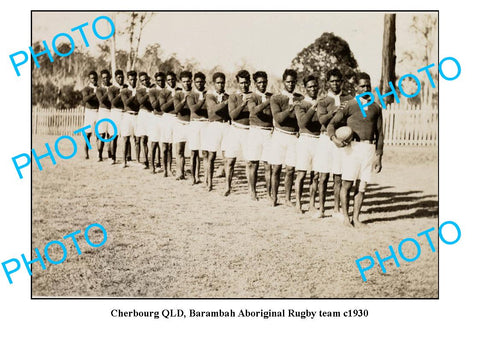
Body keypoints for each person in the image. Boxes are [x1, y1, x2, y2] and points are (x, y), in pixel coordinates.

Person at [327, 72, 384, 228]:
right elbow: (331, 124)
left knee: (362, 185)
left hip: (369, 148)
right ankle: (346, 218)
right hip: (353, 148)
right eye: (362, 85)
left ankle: (356, 219)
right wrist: (335, 139)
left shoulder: (376, 107)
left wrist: (379, 156)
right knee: (347, 183)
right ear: (356, 87)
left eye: (368, 85)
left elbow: (380, 134)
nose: (366, 88)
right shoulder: (350, 105)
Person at [317, 68, 353, 218]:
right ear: (327, 83)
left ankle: (337, 210)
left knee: (338, 175)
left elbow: (352, 118)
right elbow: (322, 120)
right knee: (323, 175)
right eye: (332, 81)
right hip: (326, 139)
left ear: (342, 82)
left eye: (338, 81)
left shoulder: (349, 99)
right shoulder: (323, 101)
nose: (335, 84)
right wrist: (335, 111)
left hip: (342, 139)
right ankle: (321, 209)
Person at [270, 69, 304, 207]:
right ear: (283, 82)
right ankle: (274, 197)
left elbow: (301, 120)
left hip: (293, 136)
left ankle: (288, 198)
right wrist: (291, 109)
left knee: (290, 169)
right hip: (279, 135)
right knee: (276, 168)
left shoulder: (300, 99)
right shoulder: (276, 98)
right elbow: (278, 118)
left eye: (293, 82)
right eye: (288, 81)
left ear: (296, 82)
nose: (290, 84)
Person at [294, 75, 320, 213]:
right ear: (305, 89)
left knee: (315, 175)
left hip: (318, 140)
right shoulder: (300, 104)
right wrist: (313, 107)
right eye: (310, 87)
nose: (313, 89)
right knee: (301, 174)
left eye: (315, 86)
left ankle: (311, 203)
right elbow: (302, 123)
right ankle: (298, 204)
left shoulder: (323, 103)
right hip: (305, 140)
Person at [245, 71, 273, 201]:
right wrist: (268, 102)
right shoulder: (252, 97)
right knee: (253, 163)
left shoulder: (271, 96)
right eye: (259, 82)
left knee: (268, 164)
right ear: (255, 84)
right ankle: (253, 191)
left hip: (268, 132)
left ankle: (269, 193)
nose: (262, 84)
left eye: (264, 82)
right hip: (255, 132)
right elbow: (253, 111)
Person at [225, 70, 252, 196]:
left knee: (250, 162)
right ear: (238, 83)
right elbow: (233, 115)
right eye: (241, 83)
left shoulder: (254, 96)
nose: (244, 85)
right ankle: (227, 187)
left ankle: (252, 190)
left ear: (250, 83)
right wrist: (243, 104)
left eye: (246, 83)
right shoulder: (233, 97)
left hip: (249, 131)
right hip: (235, 130)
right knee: (230, 160)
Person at [205, 72, 229, 192]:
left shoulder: (228, 96)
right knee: (211, 155)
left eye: (222, 82)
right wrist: (226, 102)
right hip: (214, 126)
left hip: (226, 125)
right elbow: (214, 109)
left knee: (227, 156)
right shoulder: (210, 96)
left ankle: (227, 186)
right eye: (218, 83)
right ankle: (209, 182)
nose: (220, 85)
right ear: (214, 84)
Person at [187, 72, 209, 185]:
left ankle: (205, 178)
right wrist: (202, 101)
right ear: (194, 82)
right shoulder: (191, 95)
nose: (199, 84)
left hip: (206, 124)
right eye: (197, 82)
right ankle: (193, 176)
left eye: (201, 82)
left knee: (205, 152)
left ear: (205, 82)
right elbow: (193, 109)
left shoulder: (209, 94)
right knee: (194, 152)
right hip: (195, 124)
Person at [173, 71, 193, 180]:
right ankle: (180, 172)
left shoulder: (195, 94)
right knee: (179, 150)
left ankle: (192, 171)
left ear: (192, 81)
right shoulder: (178, 94)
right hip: (180, 124)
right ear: (181, 82)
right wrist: (184, 100)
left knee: (193, 150)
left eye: (188, 81)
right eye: (184, 81)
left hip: (192, 124)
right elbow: (176, 109)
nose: (186, 83)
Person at [160, 71, 181, 176]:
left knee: (174, 145)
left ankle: (171, 168)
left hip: (177, 119)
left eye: (172, 79)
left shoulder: (180, 90)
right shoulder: (163, 92)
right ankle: (165, 169)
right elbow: (163, 107)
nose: (171, 81)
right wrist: (174, 98)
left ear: (175, 79)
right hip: (167, 118)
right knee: (165, 146)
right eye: (168, 80)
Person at [120, 71, 140, 168]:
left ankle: (138, 160)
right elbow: (126, 102)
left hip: (137, 115)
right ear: (128, 80)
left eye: (134, 79)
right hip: (127, 115)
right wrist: (133, 95)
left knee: (137, 139)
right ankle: (124, 161)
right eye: (131, 79)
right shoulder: (124, 91)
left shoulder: (139, 90)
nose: (133, 81)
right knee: (125, 138)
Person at [107, 70, 127, 165]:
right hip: (115, 113)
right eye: (118, 77)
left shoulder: (126, 87)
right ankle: (113, 157)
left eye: (122, 77)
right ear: (115, 78)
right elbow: (113, 102)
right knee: (113, 135)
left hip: (125, 113)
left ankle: (127, 158)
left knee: (125, 136)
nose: (121, 79)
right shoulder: (111, 89)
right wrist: (121, 93)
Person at [136, 72, 154, 170]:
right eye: (142, 80)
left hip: (152, 114)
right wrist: (148, 93)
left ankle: (156, 162)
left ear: (149, 78)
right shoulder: (139, 90)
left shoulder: (154, 88)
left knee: (154, 139)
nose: (145, 81)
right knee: (143, 138)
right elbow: (140, 101)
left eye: (146, 79)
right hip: (143, 114)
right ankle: (146, 161)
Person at [148, 72, 165, 174]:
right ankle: (152, 165)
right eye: (158, 80)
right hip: (156, 117)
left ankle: (162, 165)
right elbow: (154, 105)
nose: (161, 82)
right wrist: (162, 94)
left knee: (165, 143)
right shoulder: (153, 91)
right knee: (154, 142)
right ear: (155, 81)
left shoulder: (169, 90)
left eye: (162, 80)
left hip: (166, 117)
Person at [81, 71, 99, 159]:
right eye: (92, 78)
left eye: (95, 78)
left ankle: (99, 153)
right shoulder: (86, 89)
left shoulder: (100, 88)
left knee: (99, 133)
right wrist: (93, 94)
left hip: (99, 111)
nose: (94, 80)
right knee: (87, 133)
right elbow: (85, 99)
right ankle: (86, 153)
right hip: (89, 112)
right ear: (89, 79)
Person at [95, 69, 113, 162]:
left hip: (111, 111)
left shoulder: (113, 87)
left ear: (110, 77)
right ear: (101, 79)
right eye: (103, 78)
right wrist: (109, 91)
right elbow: (101, 100)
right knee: (101, 133)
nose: (105, 79)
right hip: (103, 111)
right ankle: (100, 154)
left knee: (111, 133)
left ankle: (110, 153)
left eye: (107, 77)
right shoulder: (99, 89)